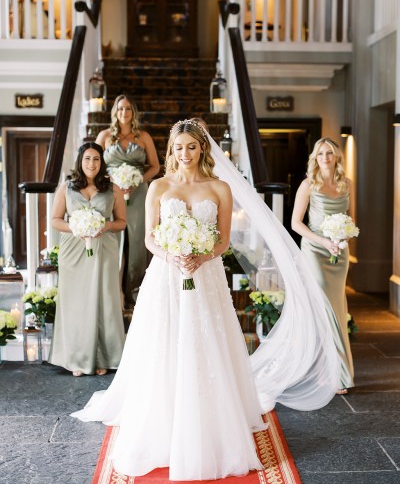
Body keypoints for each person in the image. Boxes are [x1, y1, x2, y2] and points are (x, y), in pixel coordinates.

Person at [72, 120, 340, 480]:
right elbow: (150, 238)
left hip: (206, 273)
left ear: (203, 150)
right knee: (165, 345)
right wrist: (172, 256)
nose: (185, 154)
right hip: (167, 276)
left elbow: (224, 239)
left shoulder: (220, 188)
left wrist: (202, 255)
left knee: (204, 344)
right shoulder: (158, 187)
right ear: (171, 151)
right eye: (179, 147)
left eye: (192, 147)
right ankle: (164, 420)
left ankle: (210, 420)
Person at [48, 142, 126, 377]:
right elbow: (55, 220)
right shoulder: (67, 187)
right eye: (87, 159)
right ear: (80, 161)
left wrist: (104, 226)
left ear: (102, 163)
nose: (91, 164)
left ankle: (103, 356)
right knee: (76, 302)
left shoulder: (113, 188)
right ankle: (77, 358)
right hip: (73, 249)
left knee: (104, 299)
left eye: (96, 159)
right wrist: (76, 227)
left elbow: (121, 222)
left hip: (104, 249)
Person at [291, 137, 355, 394]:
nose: (325, 157)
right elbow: (296, 223)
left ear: (337, 156)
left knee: (338, 309)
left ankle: (338, 372)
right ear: (315, 159)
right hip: (316, 251)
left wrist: (342, 238)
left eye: (329, 153)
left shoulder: (347, 184)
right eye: (320, 154)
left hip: (339, 252)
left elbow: (352, 219)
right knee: (325, 309)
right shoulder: (308, 185)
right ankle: (332, 373)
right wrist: (324, 242)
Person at [96, 95, 160, 307]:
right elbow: (94, 165)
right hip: (111, 193)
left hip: (139, 193)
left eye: (128, 109)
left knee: (137, 243)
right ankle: (112, 294)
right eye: (120, 109)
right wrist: (111, 180)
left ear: (134, 112)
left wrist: (138, 179)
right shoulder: (105, 136)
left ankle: (135, 294)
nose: (124, 113)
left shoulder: (143, 137)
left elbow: (155, 166)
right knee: (114, 240)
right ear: (115, 112)